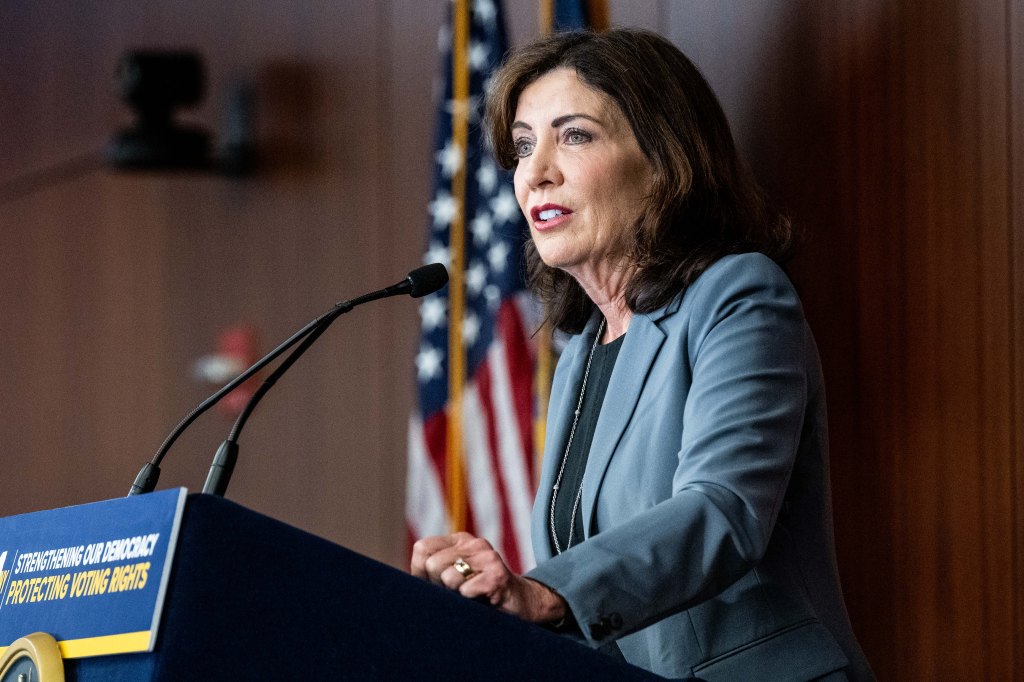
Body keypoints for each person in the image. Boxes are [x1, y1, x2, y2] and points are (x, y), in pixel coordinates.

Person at [411, 28, 874, 681]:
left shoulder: (738, 295)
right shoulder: (580, 355)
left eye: (573, 135)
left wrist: (544, 593)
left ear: (664, 162)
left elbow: (725, 509)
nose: (535, 171)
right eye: (522, 145)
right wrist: (494, 603)